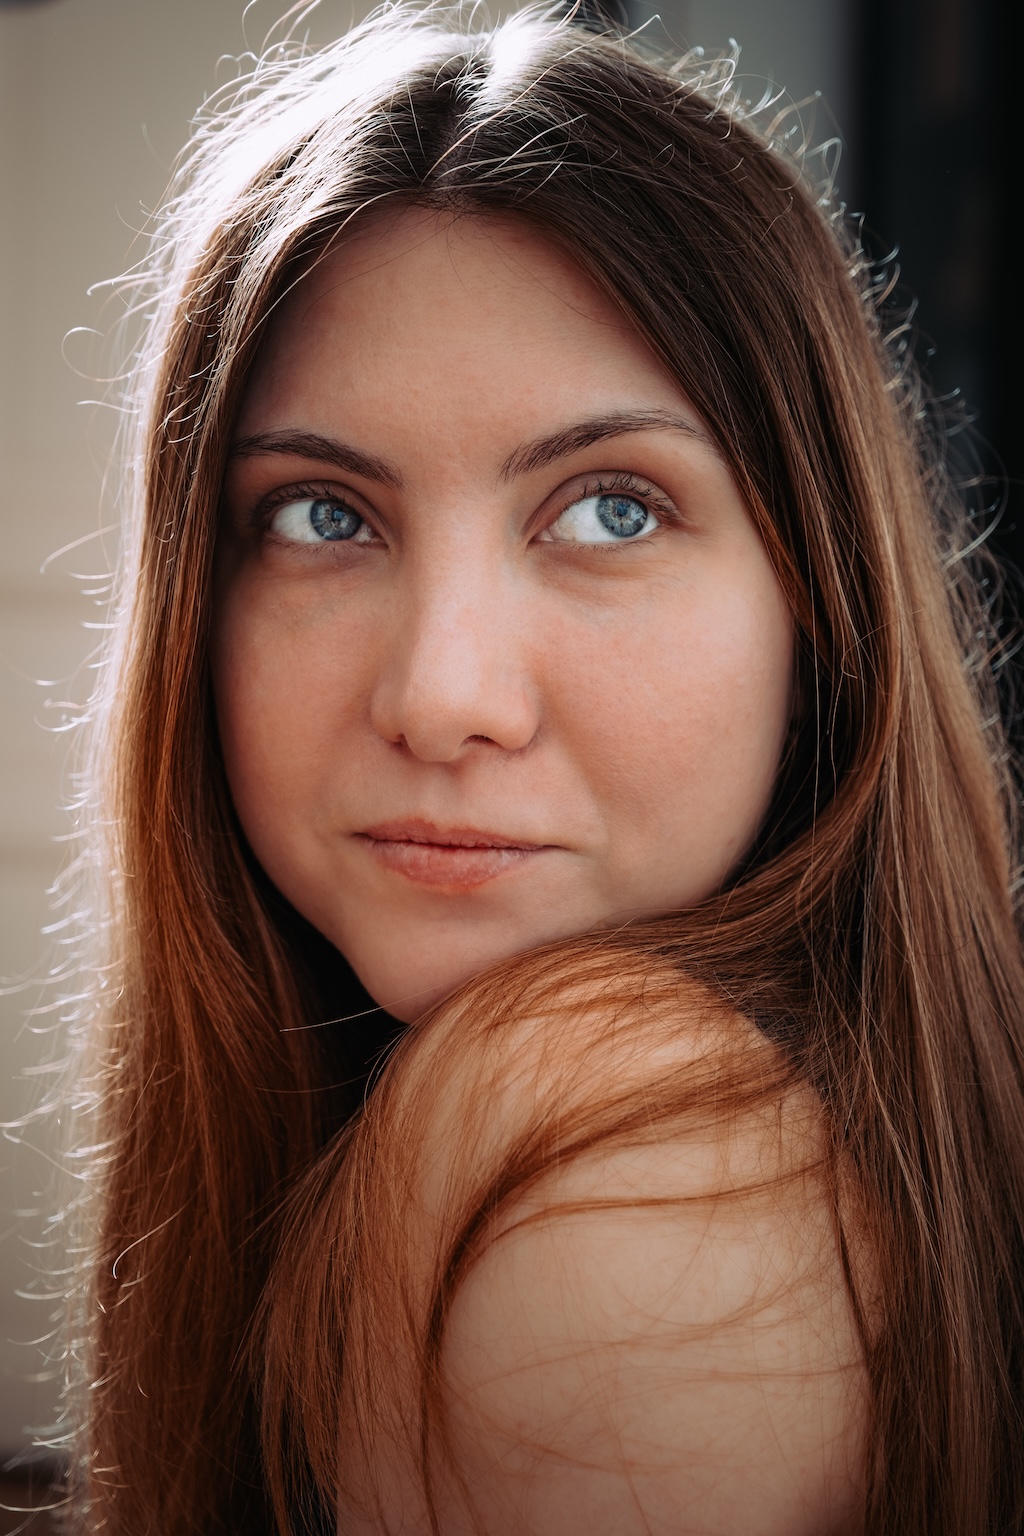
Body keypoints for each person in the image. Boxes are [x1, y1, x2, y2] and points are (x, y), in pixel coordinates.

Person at [57, 5, 1024, 1533]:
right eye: (321, 516)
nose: (444, 699)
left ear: (817, 604)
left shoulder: (586, 1147)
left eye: (612, 510)